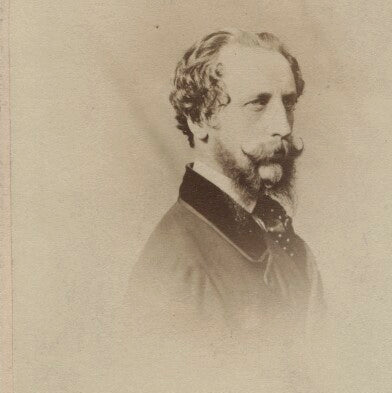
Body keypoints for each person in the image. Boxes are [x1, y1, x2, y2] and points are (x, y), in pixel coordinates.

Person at [128, 28, 323, 340]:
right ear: (199, 119)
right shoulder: (174, 269)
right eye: (258, 103)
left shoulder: (285, 240)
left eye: (288, 103)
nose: (283, 126)